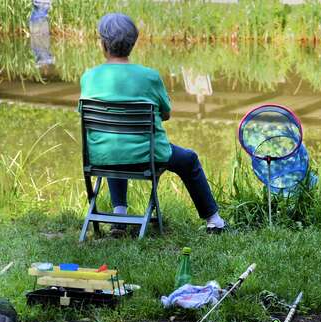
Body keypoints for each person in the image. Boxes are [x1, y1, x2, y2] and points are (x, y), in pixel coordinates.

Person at [79, 13, 225, 236]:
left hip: (101, 158)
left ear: (103, 44)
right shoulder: (149, 77)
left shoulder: (89, 77)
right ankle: (214, 220)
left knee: (113, 140)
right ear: (133, 43)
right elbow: (166, 114)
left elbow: (87, 117)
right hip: (147, 157)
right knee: (188, 160)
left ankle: (119, 216)